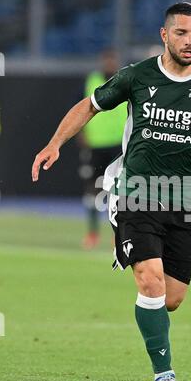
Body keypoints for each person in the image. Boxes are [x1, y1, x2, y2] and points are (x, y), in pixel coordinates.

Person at [32, 3, 191, 381]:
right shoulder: (137, 76)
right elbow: (90, 105)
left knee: (171, 298)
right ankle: (164, 376)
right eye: (182, 33)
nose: (189, 41)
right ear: (165, 34)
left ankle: (145, 283)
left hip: (184, 200)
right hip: (134, 192)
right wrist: (55, 144)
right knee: (150, 280)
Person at [79, 50, 127, 249]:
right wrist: (82, 135)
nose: (109, 64)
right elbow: (80, 108)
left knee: (121, 190)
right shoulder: (92, 81)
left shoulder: (126, 81)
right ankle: (92, 232)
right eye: (106, 60)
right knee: (93, 189)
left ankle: (120, 234)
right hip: (96, 144)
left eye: (112, 60)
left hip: (118, 144)